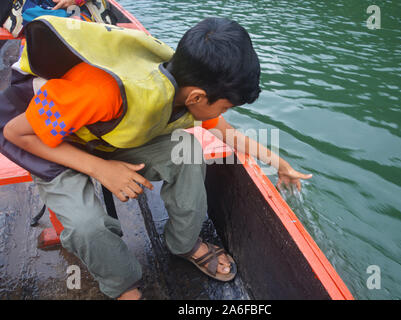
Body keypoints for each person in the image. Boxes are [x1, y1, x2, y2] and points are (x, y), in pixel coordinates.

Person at [2, 16, 312, 300]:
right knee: (86, 226)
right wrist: (100, 169)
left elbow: (227, 133)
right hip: (54, 144)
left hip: (107, 138)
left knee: (188, 151)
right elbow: (16, 133)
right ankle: (122, 286)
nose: (223, 114)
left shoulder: (186, 89)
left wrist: (280, 163)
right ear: (198, 98)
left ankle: (184, 243)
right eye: (225, 107)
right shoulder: (100, 91)